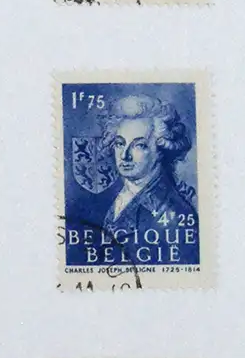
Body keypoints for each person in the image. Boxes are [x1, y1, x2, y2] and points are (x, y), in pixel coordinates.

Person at [66, 94, 197, 264]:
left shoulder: (176, 214)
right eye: (120, 143)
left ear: (160, 150)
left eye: (139, 145)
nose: (125, 155)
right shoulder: (103, 198)